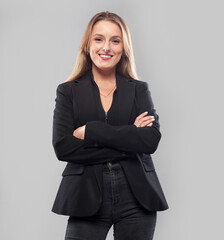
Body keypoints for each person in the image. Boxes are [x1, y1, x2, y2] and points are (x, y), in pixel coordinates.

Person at [51, 11, 169, 240]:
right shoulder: (67, 91)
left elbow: (150, 140)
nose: (106, 47)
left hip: (136, 197)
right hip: (84, 195)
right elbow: (64, 147)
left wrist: (92, 131)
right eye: (98, 39)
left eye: (115, 41)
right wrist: (130, 136)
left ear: (123, 48)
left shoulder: (138, 89)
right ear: (87, 45)